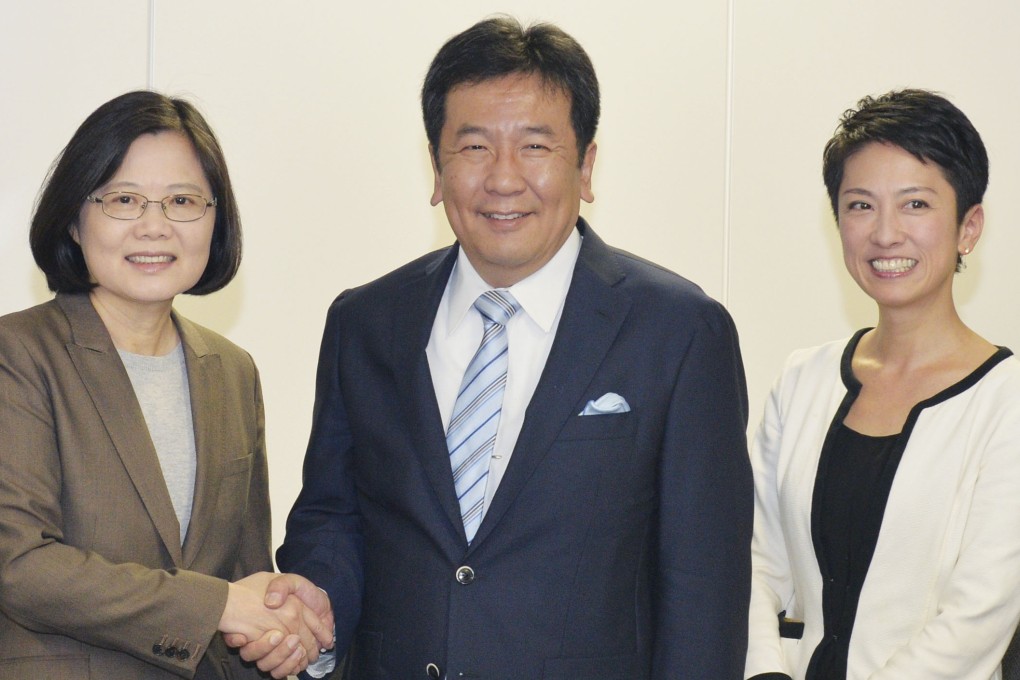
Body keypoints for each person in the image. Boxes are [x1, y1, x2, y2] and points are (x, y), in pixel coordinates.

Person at [249, 15, 752, 680]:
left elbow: (704, 594)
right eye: (475, 147)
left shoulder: (679, 332)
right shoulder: (365, 322)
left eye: (535, 146)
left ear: (586, 165)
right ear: (437, 169)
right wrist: (318, 609)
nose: (504, 179)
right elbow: (334, 516)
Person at [0, 90, 333, 679]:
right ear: (74, 220)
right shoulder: (20, 353)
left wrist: (277, 634)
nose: (154, 227)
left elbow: (244, 576)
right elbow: (19, 563)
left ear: (215, 219)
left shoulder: (233, 370)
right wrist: (217, 605)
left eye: (182, 201)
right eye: (124, 200)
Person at [744, 89, 1020, 680]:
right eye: (860, 205)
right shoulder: (802, 381)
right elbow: (753, 562)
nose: (886, 233)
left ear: (969, 226)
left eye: (915, 204)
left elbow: (978, 616)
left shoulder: (1007, 401)